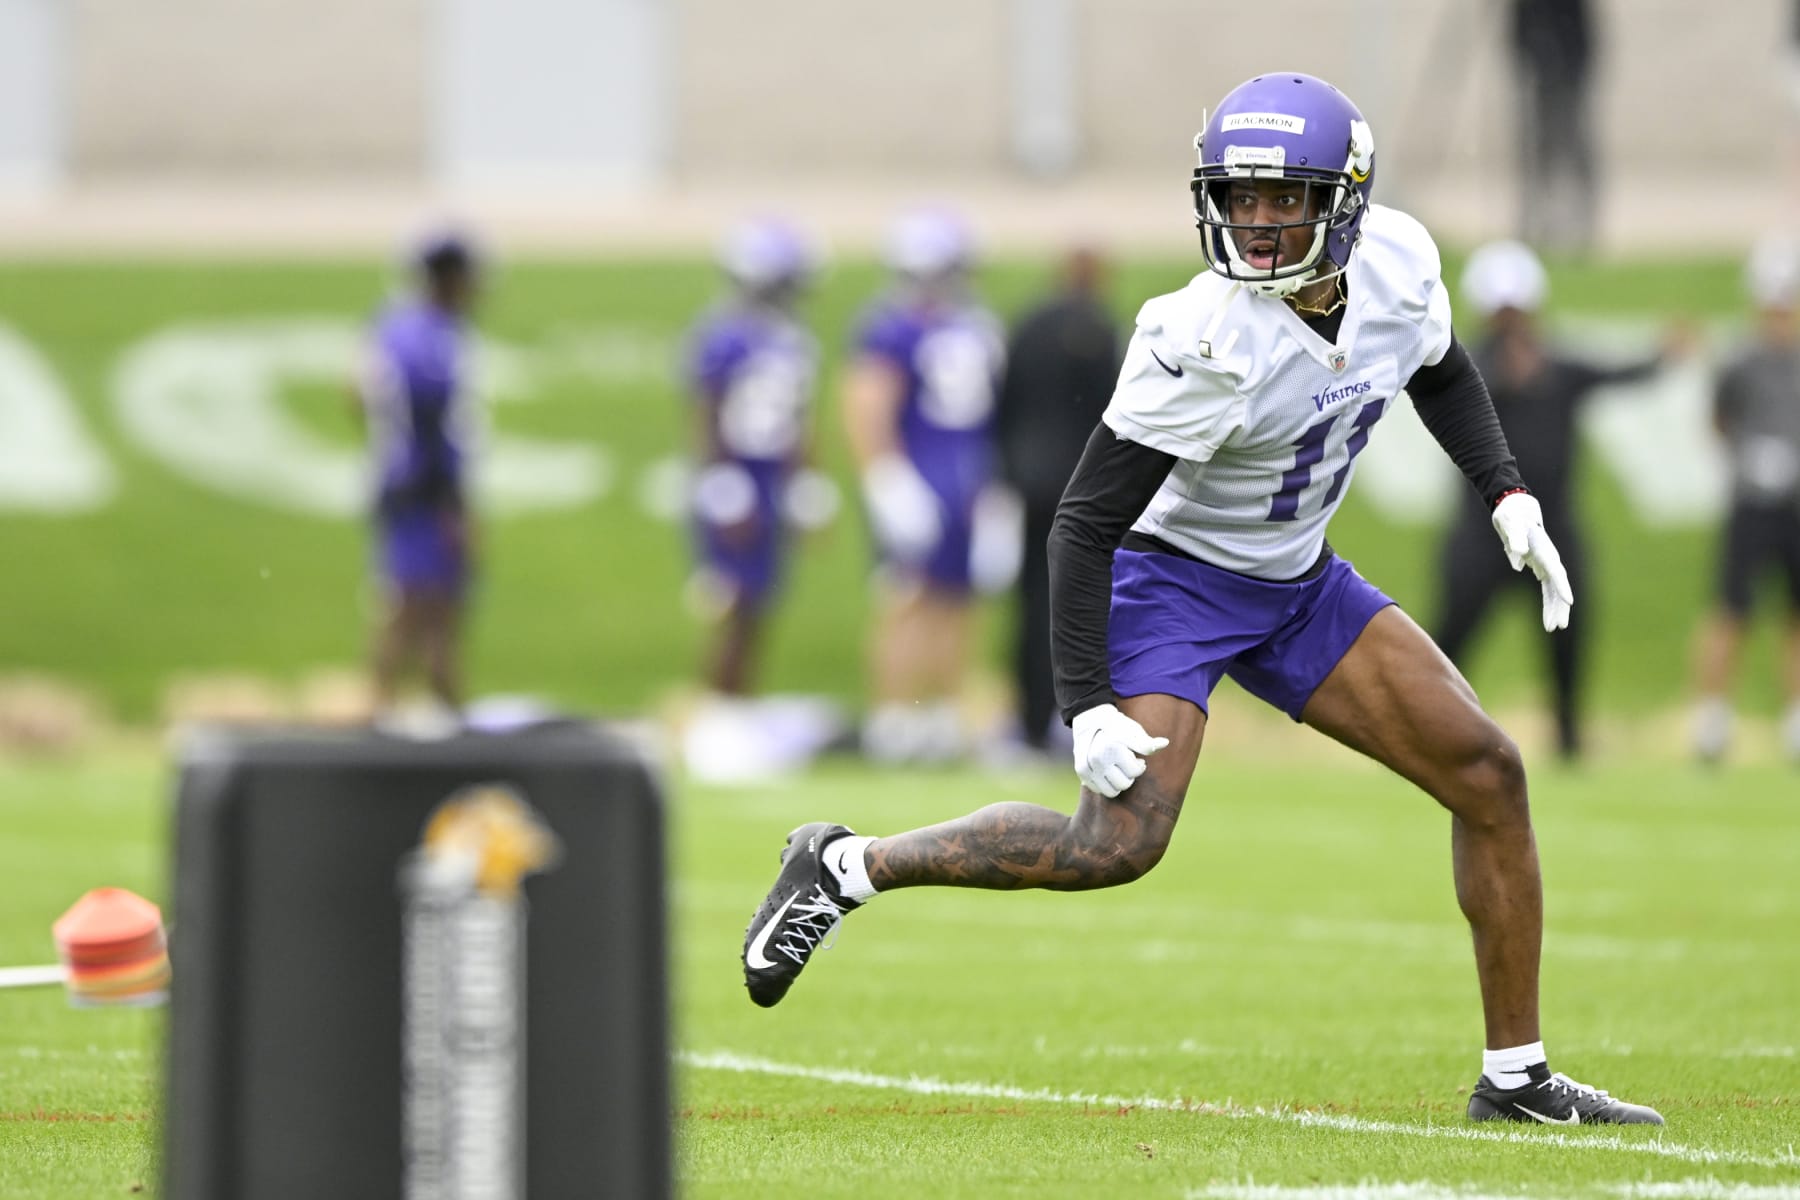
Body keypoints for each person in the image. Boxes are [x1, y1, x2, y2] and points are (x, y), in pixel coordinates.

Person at [741, 72, 1663, 1126]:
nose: (1258, 223)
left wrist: (1508, 495)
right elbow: (1084, 523)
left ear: (1347, 200)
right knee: (1115, 846)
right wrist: (1083, 700)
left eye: (1285, 199)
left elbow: (1441, 371)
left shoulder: (1401, 261)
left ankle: (1518, 1082)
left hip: (1298, 579)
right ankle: (846, 863)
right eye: (1240, 198)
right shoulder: (1200, 335)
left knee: (1489, 773)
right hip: (1168, 578)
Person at [1432, 240, 1690, 761]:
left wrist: (1663, 355)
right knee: (1448, 640)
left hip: (1551, 529)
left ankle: (1569, 738)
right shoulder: (1464, 366)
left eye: (1517, 310)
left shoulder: (1558, 366)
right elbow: (1448, 381)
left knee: (1568, 637)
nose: (1510, 321)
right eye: (1501, 311)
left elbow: (1617, 373)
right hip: (1482, 533)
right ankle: (1427, 729)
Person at [847, 209, 1009, 764]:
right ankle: (893, 717)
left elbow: (995, 413)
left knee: (960, 600)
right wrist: (886, 477)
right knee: (907, 599)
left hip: (970, 480)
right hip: (917, 479)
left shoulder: (978, 325)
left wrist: (997, 488)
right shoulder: (889, 327)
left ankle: (941, 713)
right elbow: (868, 404)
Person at [684, 218, 826, 698]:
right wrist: (722, 484)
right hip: (738, 476)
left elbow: (798, 418)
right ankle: (717, 707)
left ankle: (739, 704)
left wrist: (806, 485)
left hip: (770, 480)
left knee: (760, 606)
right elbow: (706, 413)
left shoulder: (792, 337)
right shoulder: (723, 336)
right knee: (731, 607)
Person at [996, 247, 1123, 754]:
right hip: (1082, 490)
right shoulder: (1100, 328)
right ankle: (1067, 714)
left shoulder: (1026, 325)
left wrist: (1006, 471)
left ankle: (1026, 718)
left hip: (1028, 484)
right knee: (1075, 603)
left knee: (1030, 604)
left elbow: (1004, 405)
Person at [360, 228, 483, 722]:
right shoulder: (433, 340)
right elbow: (433, 419)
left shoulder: (391, 327)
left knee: (406, 607)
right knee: (426, 613)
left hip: (399, 483)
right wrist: (454, 505)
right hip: (425, 492)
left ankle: (400, 709)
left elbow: (354, 390)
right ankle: (438, 718)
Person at [1689, 239, 1800, 764]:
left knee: (1795, 614)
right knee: (1731, 608)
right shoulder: (1739, 361)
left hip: (1797, 505)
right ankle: (1711, 722)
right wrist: (1744, 457)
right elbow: (1716, 421)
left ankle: (1796, 721)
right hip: (1751, 502)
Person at [1509, 0, 1597, 254]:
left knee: (1571, 134)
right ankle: (1535, 217)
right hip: (1533, 49)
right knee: (1536, 140)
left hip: (1570, 46)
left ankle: (1578, 220)